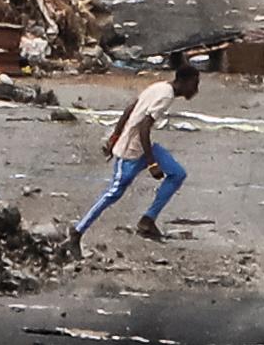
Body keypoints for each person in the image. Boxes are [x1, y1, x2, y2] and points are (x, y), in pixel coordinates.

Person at [73, 59, 199, 247]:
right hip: (131, 152)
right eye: (194, 85)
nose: (195, 90)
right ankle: (77, 231)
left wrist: (114, 136)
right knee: (113, 193)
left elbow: (131, 108)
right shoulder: (165, 96)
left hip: (143, 147)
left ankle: (148, 220)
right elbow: (144, 128)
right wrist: (152, 163)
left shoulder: (160, 87)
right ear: (185, 81)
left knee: (177, 173)